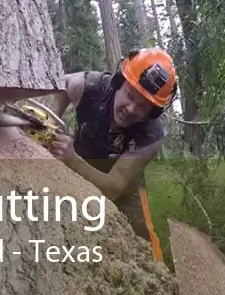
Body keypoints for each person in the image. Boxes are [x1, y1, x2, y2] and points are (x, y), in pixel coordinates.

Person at [46, 47, 178, 263]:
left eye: (143, 106)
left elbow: (114, 187)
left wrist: (71, 159)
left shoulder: (151, 135)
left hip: (123, 188)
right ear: (118, 82)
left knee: (144, 245)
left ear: (153, 112)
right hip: (80, 161)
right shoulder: (92, 85)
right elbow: (64, 84)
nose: (132, 108)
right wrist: (51, 122)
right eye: (129, 95)